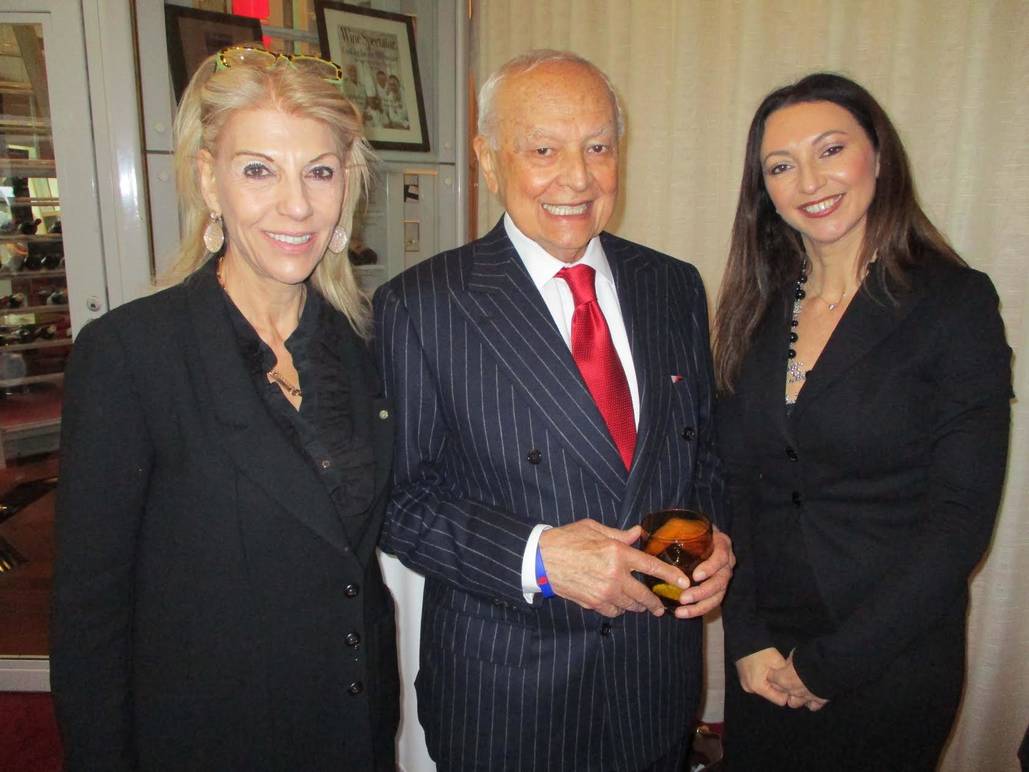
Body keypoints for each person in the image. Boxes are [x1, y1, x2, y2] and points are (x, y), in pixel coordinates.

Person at [374, 50, 733, 771]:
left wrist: (714, 539)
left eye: (598, 147)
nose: (577, 178)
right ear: (487, 159)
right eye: (543, 150)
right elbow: (395, 503)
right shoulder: (421, 306)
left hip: (653, 683)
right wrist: (536, 559)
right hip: (508, 699)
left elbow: (702, 453)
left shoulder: (672, 285)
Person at [50, 46, 399, 771]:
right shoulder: (131, 355)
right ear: (209, 179)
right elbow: (89, 613)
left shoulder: (364, 345)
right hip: (206, 740)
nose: (296, 205)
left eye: (320, 171)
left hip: (348, 732)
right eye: (258, 170)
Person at [713, 72, 1011, 770]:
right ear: (764, 191)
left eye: (830, 150)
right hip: (765, 654)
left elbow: (959, 521)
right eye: (780, 166)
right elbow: (735, 483)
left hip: (890, 654)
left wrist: (831, 665)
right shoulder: (756, 308)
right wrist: (745, 635)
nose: (809, 181)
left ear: (877, 154)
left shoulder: (953, 303)